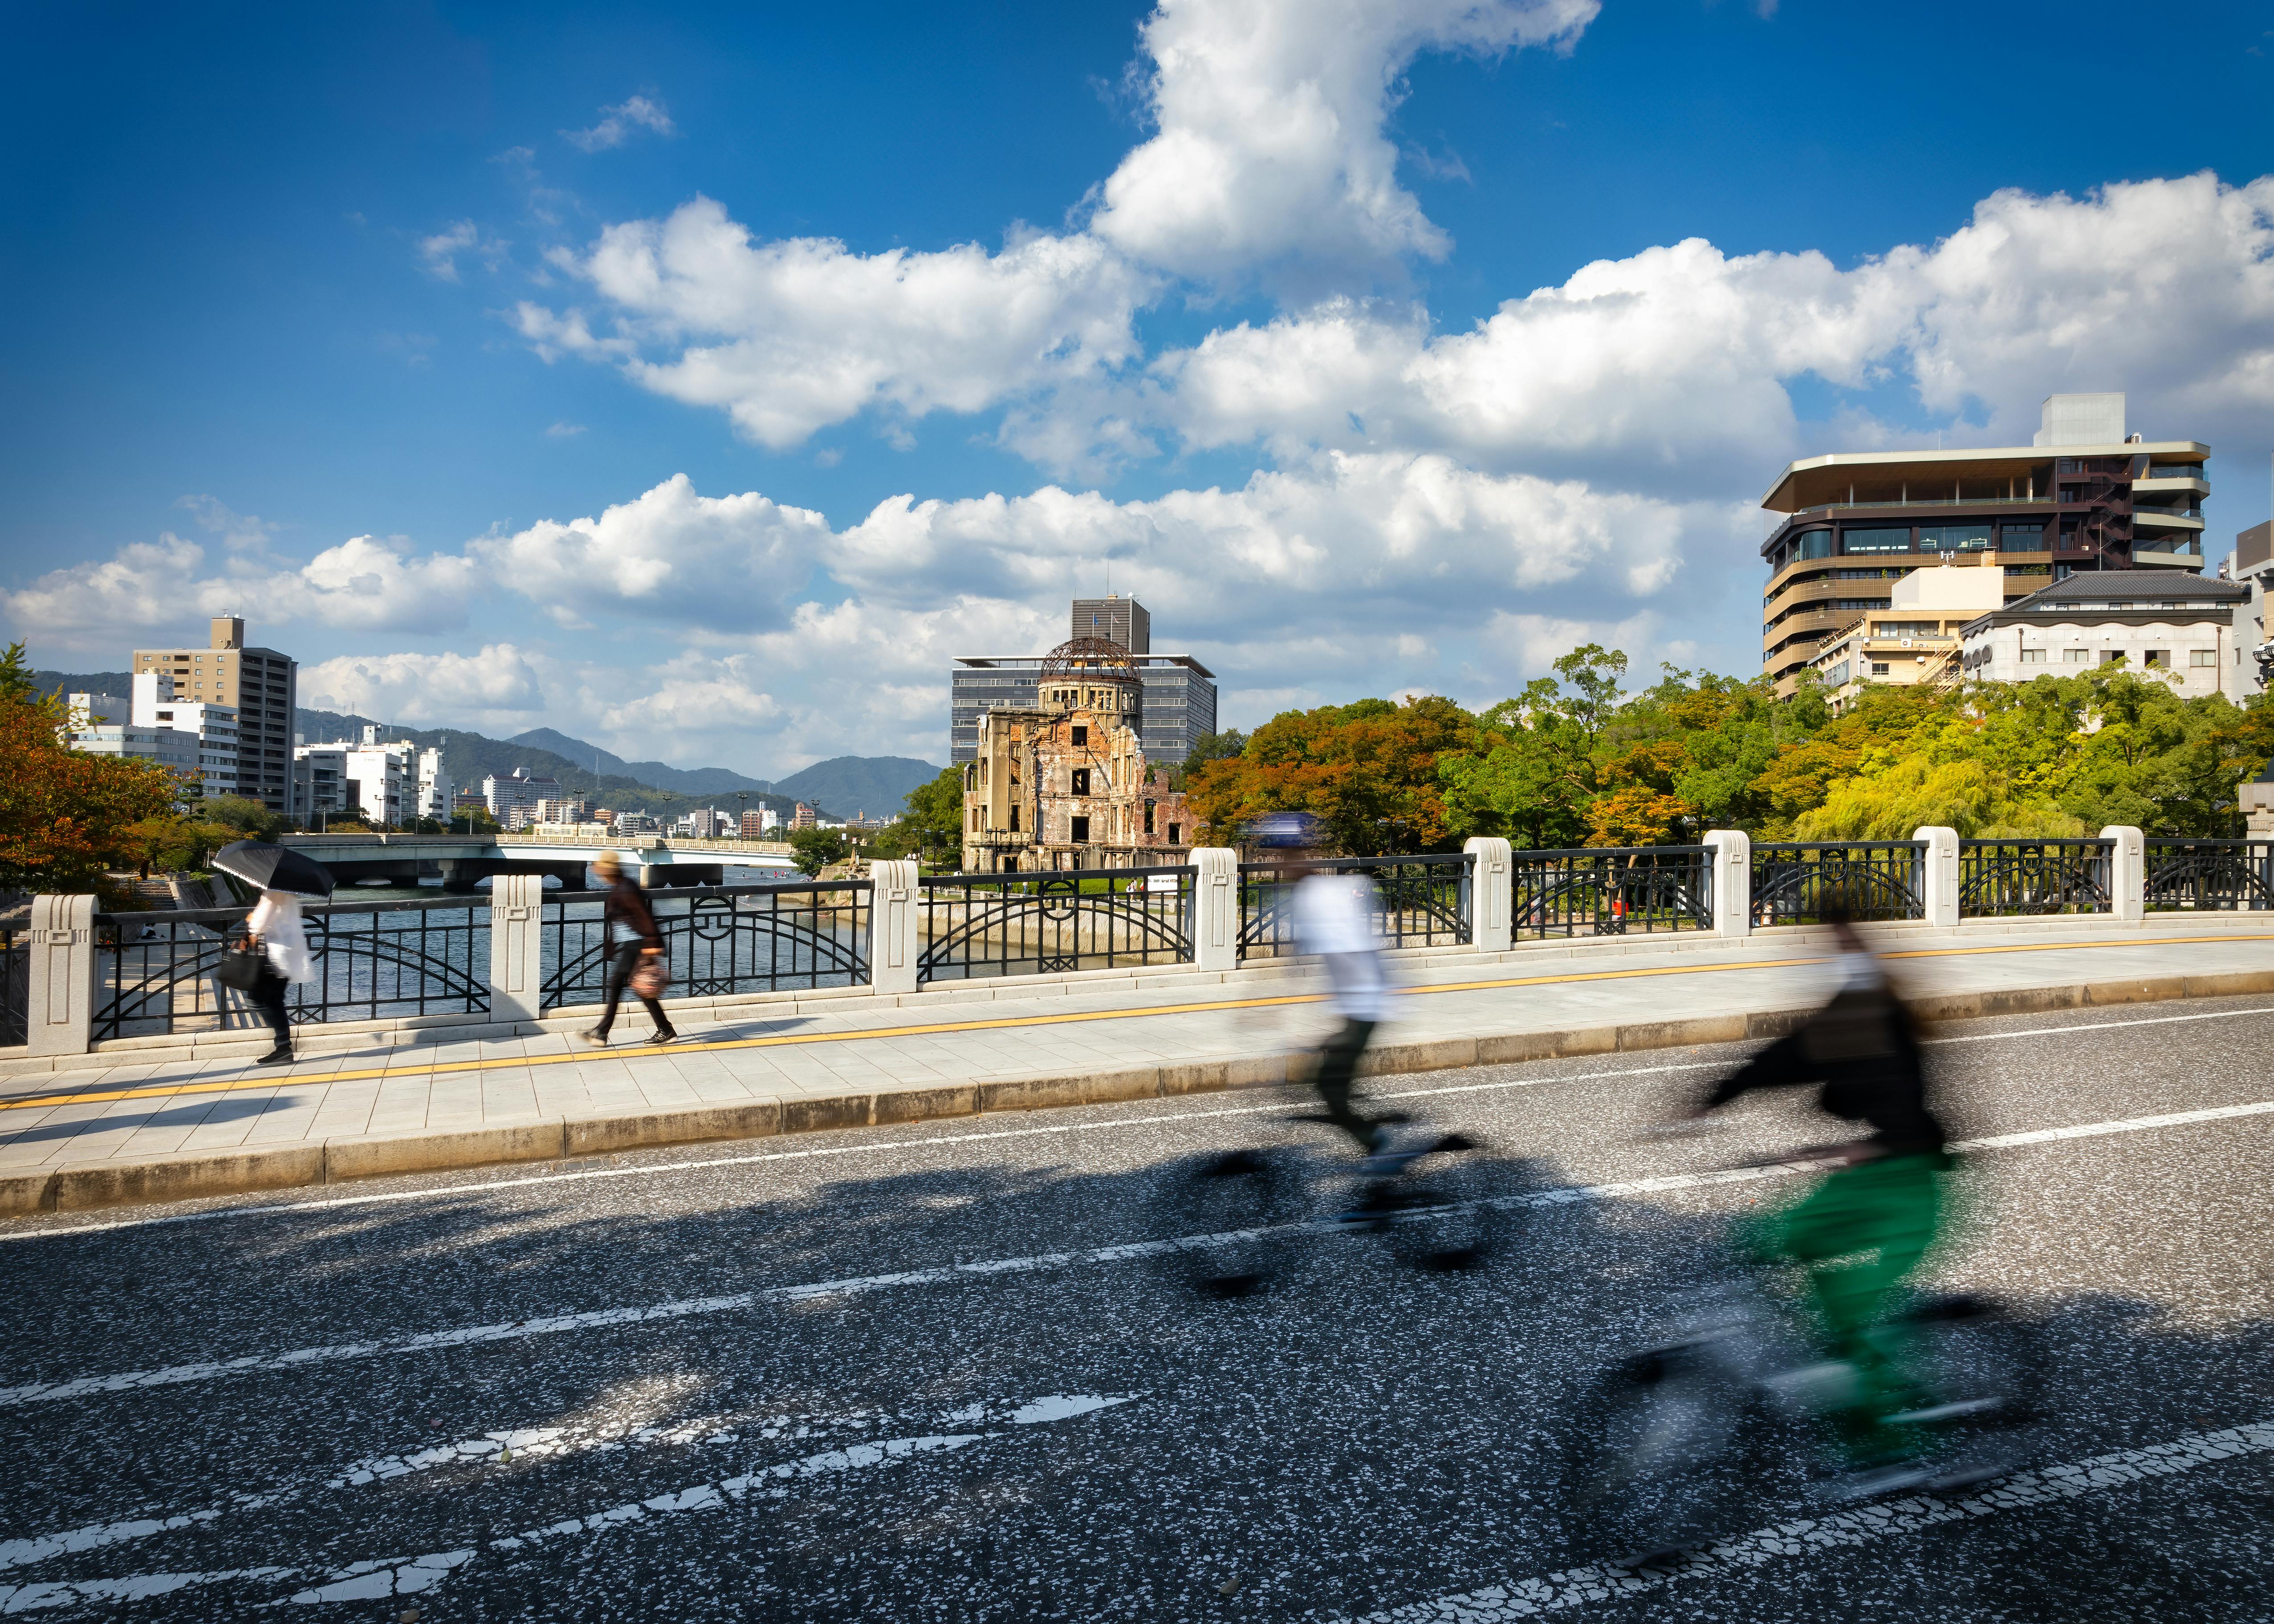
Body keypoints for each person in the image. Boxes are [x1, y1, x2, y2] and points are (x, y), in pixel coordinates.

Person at [1683, 914, 1952, 1482]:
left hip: (1912, 1184)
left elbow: (1910, 1107)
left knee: (1859, 1306)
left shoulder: (1890, 1023)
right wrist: (1707, 1101)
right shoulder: (1844, 1017)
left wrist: (1870, 1147)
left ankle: (1891, 1442)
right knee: (1759, 1240)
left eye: (1847, 946)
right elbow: (1782, 1058)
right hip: (1864, 1181)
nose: (1837, 959)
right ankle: (1836, 1380)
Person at [1257, 813, 1397, 1157]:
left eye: (1287, 856)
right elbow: (1294, 963)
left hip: (1365, 1005)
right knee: (1324, 1077)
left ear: (1306, 854)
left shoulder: (1323, 895)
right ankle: (1373, 1140)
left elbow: (1351, 951)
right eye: (1279, 857)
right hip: (1353, 1006)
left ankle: (1381, 1152)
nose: (1283, 864)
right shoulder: (1308, 893)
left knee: (1328, 1088)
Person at [581, 852, 678, 1047]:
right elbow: (621, 920)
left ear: (607, 872)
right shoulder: (622, 886)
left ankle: (602, 1032)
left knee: (621, 984)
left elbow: (644, 917)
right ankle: (665, 1029)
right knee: (641, 989)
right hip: (632, 945)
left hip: (637, 945)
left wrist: (653, 943)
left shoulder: (625, 888)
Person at [244, 887, 314, 1065]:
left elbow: (258, 925)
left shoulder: (272, 894)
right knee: (274, 1000)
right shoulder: (290, 894)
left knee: (256, 999)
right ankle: (283, 1048)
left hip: (273, 956)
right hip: (288, 953)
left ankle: (283, 1046)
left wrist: (251, 918)